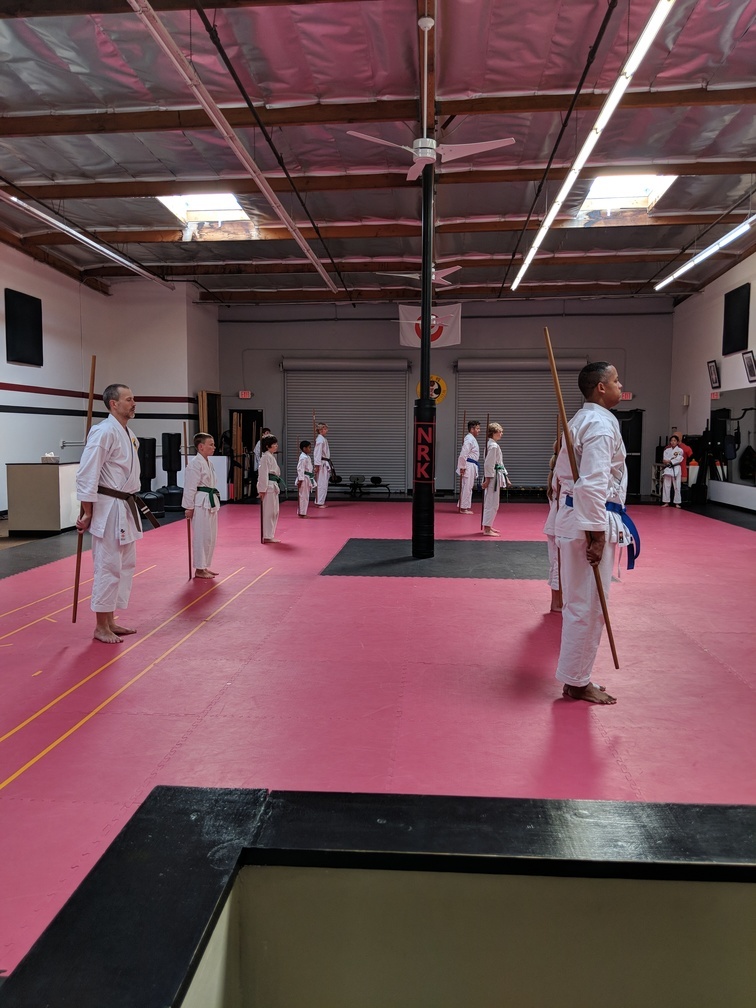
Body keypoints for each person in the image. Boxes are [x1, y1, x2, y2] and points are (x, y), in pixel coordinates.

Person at [553, 361, 635, 704]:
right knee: (587, 606)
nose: (620, 385)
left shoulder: (583, 419)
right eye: (616, 380)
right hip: (588, 522)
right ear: (600, 387)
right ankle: (576, 681)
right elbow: (592, 484)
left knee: (582, 604)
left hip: (579, 518)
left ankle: (576, 675)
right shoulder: (599, 425)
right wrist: (597, 535)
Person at [75, 383, 145, 644]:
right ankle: (100, 626)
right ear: (113, 403)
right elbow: (87, 473)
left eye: (133, 398)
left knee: (124, 565)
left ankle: (111, 620)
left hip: (124, 506)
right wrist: (87, 512)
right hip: (108, 508)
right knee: (108, 567)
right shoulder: (103, 431)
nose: (133, 403)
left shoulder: (127, 432)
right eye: (129, 399)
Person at [182, 432, 221, 578]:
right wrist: (188, 507)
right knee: (201, 536)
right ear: (201, 446)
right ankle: (199, 568)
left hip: (209, 502)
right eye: (211, 445)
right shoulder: (194, 464)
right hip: (200, 504)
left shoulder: (208, 463)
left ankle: (204, 566)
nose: (214, 447)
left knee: (210, 536)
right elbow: (190, 487)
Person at [543, 439, 563, 612]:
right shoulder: (561, 471)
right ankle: (556, 602)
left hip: (559, 522)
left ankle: (560, 600)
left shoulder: (558, 469)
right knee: (558, 563)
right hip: (559, 523)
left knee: (560, 562)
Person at [481, 422, 509, 536]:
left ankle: (489, 526)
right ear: (493, 433)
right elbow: (489, 464)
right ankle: (487, 529)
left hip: (494, 475)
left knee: (493, 502)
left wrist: (506, 476)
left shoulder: (492, 445)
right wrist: (488, 480)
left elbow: (499, 463)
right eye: (500, 432)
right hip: (492, 477)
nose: (501, 434)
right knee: (491, 502)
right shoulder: (492, 446)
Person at [257, 434, 282, 542]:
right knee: (269, 512)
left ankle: (270, 534)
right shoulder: (265, 457)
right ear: (267, 446)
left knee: (274, 511)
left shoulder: (270, 456)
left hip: (273, 485)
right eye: (274, 444)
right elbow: (263, 475)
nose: (276, 446)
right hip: (268, 487)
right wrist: (262, 490)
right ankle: (267, 535)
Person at [456, 420, 480, 514]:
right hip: (468, 465)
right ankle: (463, 508)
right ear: (472, 429)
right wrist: (462, 466)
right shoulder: (469, 439)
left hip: (471, 465)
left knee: (468, 487)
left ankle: (464, 506)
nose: (479, 430)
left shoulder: (471, 438)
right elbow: (463, 454)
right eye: (477, 428)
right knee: (467, 487)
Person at [661, 434, 684, 507]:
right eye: (671, 441)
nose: (673, 442)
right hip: (668, 468)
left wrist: (670, 461)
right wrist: (668, 461)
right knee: (666, 485)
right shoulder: (667, 450)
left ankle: (677, 502)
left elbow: (679, 459)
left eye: (674, 441)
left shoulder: (680, 450)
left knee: (677, 485)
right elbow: (664, 460)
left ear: (677, 442)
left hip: (676, 468)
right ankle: (666, 501)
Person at [313, 422, 331, 507]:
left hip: (324, 462)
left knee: (323, 483)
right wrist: (317, 465)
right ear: (320, 430)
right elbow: (317, 453)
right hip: (322, 463)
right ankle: (319, 502)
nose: (326, 430)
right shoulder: (320, 439)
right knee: (321, 483)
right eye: (324, 429)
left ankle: (320, 501)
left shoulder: (323, 439)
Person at [296, 440, 315, 517]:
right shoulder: (303, 458)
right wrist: (300, 480)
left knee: (305, 496)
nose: (310, 449)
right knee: (303, 496)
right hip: (304, 478)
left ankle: (302, 512)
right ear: (304, 448)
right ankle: (302, 513)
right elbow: (300, 469)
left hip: (307, 477)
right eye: (309, 447)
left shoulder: (307, 457)